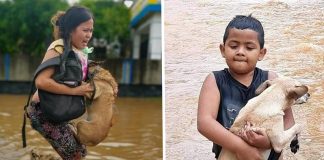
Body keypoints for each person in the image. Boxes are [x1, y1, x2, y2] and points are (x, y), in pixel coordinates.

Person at [197, 15, 296, 160]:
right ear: (223, 49)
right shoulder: (215, 81)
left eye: (249, 47)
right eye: (234, 46)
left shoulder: (272, 80)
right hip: (229, 155)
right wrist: (240, 147)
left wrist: (268, 142)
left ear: (261, 53)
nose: (241, 52)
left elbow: (288, 123)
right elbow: (204, 123)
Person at [26, 6, 94, 159]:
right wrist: (75, 91)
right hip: (42, 111)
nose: (89, 35)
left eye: (91, 30)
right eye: (85, 30)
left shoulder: (80, 53)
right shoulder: (59, 47)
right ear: (71, 30)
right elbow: (41, 81)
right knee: (75, 155)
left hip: (59, 112)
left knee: (82, 151)